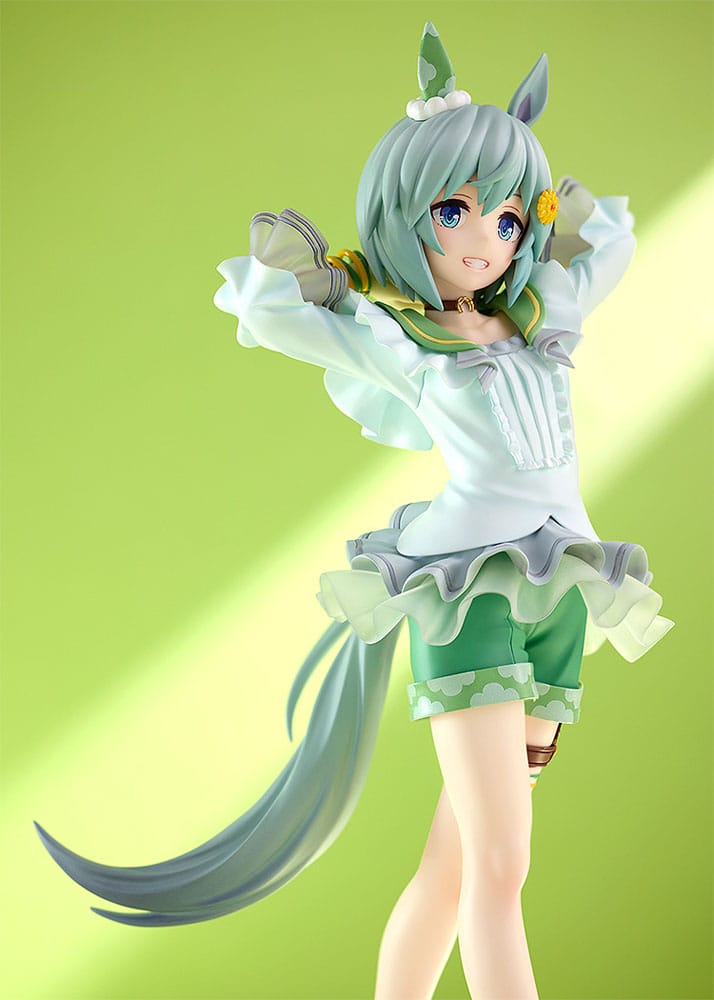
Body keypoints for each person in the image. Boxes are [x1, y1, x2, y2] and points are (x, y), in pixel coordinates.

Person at [35, 22, 674, 999]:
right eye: (454, 211)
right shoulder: (406, 343)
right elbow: (269, 308)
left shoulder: (541, 316)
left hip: (563, 594)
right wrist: (336, 280)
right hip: (471, 600)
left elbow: (608, 240)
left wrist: (541, 192)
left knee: (457, 865)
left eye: (507, 218)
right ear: (407, 216)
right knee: (502, 866)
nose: (485, 239)